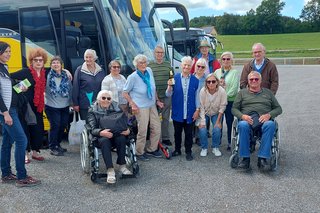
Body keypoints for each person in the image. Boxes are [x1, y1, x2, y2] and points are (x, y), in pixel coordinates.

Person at [0, 41, 41, 187]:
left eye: (10, 51)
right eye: (6, 51)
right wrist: (5, 113)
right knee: (22, 140)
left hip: (12, 108)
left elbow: (8, 88)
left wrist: (19, 88)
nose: (9, 54)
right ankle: (21, 177)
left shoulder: (4, 68)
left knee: (6, 142)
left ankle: (5, 174)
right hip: (7, 111)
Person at [232, 71, 282, 170]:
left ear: (260, 81)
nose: (254, 81)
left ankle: (262, 159)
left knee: (270, 125)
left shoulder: (268, 93)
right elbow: (234, 109)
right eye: (251, 79)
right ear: (248, 81)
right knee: (242, 125)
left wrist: (269, 115)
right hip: (247, 119)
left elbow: (278, 109)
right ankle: (245, 159)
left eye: (256, 79)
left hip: (264, 120)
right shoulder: (241, 93)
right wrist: (243, 116)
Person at [11, 48, 48, 163]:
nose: (38, 62)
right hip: (25, 107)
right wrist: (19, 86)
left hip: (38, 106)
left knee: (38, 129)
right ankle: (25, 154)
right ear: (31, 61)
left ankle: (35, 152)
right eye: (35, 60)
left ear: (43, 61)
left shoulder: (44, 73)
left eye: (40, 60)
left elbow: (58, 70)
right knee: (25, 129)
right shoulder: (26, 72)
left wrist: (66, 71)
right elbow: (8, 77)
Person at [123, 54, 163, 161]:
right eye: (141, 63)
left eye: (145, 62)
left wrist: (157, 100)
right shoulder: (133, 77)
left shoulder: (149, 71)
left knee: (156, 127)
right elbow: (125, 93)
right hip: (140, 107)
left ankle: (152, 149)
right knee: (143, 130)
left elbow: (153, 87)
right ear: (136, 65)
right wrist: (132, 104)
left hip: (152, 104)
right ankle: (139, 152)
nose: (143, 64)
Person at [87, 90, 132, 184]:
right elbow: (92, 128)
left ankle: (122, 166)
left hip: (116, 134)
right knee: (105, 141)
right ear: (98, 99)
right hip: (101, 136)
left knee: (121, 138)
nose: (106, 100)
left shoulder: (116, 108)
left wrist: (128, 129)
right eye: (103, 98)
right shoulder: (92, 111)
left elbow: (124, 122)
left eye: (108, 98)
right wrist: (101, 132)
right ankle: (110, 170)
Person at [166, 56, 200, 161]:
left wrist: (197, 110)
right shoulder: (174, 78)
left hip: (190, 112)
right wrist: (169, 86)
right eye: (185, 64)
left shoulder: (195, 80)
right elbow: (168, 94)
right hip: (178, 111)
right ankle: (177, 149)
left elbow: (197, 97)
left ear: (191, 67)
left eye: (189, 65)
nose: (186, 67)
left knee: (189, 134)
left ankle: (188, 152)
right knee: (177, 133)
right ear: (181, 65)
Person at [45, 56, 72, 156]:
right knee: (55, 126)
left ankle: (57, 144)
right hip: (51, 105)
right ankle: (52, 147)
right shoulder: (47, 75)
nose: (55, 64)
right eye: (53, 63)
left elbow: (71, 89)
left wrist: (72, 103)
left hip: (64, 105)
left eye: (58, 63)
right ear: (51, 65)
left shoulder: (66, 75)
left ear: (61, 65)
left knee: (63, 125)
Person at [215, 52, 240, 150]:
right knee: (218, 121)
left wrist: (223, 98)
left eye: (228, 59)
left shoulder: (234, 73)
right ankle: (218, 140)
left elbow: (234, 90)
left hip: (229, 101)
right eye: (224, 59)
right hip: (218, 102)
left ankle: (230, 141)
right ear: (221, 60)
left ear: (231, 61)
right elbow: (212, 85)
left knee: (229, 122)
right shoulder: (217, 72)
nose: (226, 61)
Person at [148, 45, 173, 146]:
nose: (159, 54)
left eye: (161, 53)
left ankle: (165, 138)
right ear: (154, 54)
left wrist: (170, 87)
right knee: (154, 119)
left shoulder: (168, 65)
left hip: (166, 95)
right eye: (158, 52)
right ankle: (154, 139)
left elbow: (171, 78)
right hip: (153, 97)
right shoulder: (150, 66)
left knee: (165, 118)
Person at [72, 49, 106, 120]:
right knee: (88, 126)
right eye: (86, 57)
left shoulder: (101, 70)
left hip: (99, 104)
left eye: (90, 57)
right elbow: (75, 87)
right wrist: (75, 104)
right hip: (85, 104)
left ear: (95, 58)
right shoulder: (79, 70)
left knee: (98, 124)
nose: (88, 59)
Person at [198, 74, 227, 157]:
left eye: (213, 81)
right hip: (205, 112)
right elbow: (201, 107)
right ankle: (204, 148)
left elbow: (223, 106)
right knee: (202, 129)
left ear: (217, 82)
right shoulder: (203, 91)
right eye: (208, 81)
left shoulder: (222, 91)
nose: (211, 83)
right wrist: (202, 121)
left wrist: (218, 121)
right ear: (206, 83)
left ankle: (215, 147)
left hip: (216, 112)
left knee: (217, 128)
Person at [193, 58, 208, 145]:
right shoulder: (191, 77)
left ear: (205, 68)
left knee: (201, 121)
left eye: (202, 67)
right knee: (192, 120)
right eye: (198, 66)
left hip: (203, 103)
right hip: (192, 103)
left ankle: (199, 137)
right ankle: (192, 136)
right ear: (195, 66)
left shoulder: (207, 79)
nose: (200, 68)